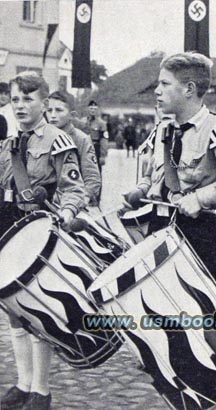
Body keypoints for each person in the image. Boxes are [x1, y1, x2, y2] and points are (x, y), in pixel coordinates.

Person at [119, 52, 216, 283]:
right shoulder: (162, 130)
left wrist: (200, 198)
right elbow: (152, 176)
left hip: (196, 234)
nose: (156, 90)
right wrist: (140, 190)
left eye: (165, 84)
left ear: (189, 89)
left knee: (198, 313)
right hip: (158, 228)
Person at [0, 72, 85, 410]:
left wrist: (65, 213)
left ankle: (41, 390)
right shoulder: (7, 145)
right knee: (13, 312)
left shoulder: (57, 140)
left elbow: (74, 187)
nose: (20, 106)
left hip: (36, 231)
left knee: (37, 314)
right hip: (7, 228)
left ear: (45, 103)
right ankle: (22, 383)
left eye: (28, 99)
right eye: (16, 99)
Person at [46, 91, 101, 206]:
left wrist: (83, 199)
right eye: (49, 110)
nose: (53, 115)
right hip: (45, 204)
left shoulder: (81, 139)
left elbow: (92, 178)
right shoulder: (40, 137)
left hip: (71, 204)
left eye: (59, 110)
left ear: (72, 114)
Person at [81, 100, 108, 171]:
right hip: (83, 148)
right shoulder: (82, 121)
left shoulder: (101, 123)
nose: (93, 111)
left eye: (95, 109)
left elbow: (104, 140)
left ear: (97, 110)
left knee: (96, 170)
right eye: (91, 108)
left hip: (95, 148)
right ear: (87, 109)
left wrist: (103, 155)